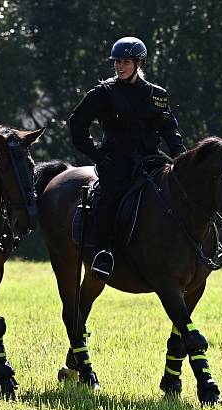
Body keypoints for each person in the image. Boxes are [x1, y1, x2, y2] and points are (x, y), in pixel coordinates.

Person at [68, 36, 187, 280]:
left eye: (126, 62)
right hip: (115, 164)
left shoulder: (158, 95)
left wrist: (181, 160)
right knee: (109, 200)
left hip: (151, 162)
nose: (120, 66)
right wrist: (95, 154)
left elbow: (170, 131)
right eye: (117, 62)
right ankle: (104, 253)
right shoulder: (102, 93)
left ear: (139, 63)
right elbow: (76, 124)